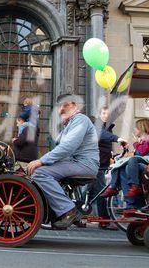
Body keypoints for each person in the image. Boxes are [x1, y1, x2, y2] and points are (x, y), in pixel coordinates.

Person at [28, 94, 98, 229]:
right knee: (40, 170)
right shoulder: (71, 123)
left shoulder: (80, 120)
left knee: (40, 173)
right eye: (59, 106)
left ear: (75, 106)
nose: (61, 109)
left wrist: (41, 161)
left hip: (83, 164)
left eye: (65, 105)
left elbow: (68, 147)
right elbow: (61, 146)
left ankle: (68, 210)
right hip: (75, 162)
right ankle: (58, 211)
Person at [100, 119, 149, 203]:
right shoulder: (143, 138)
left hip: (148, 162)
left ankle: (134, 185)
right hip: (140, 161)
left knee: (132, 160)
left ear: (142, 128)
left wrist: (135, 143)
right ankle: (113, 186)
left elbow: (142, 151)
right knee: (119, 165)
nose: (134, 129)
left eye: (136, 128)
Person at [88, 107, 126, 220]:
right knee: (100, 191)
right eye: (103, 113)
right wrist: (118, 139)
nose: (106, 116)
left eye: (108, 114)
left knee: (93, 191)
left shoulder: (108, 127)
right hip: (95, 163)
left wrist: (112, 154)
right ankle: (103, 219)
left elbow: (104, 144)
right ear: (99, 114)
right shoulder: (97, 124)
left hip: (102, 163)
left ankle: (78, 214)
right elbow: (101, 134)